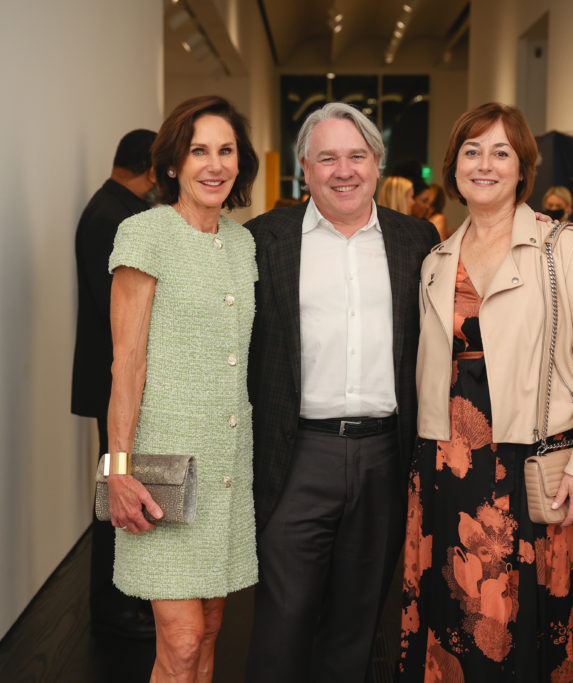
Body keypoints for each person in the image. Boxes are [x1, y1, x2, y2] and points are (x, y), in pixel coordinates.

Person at [402, 102, 573, 681]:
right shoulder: (435, 259)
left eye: (501, 152)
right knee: (453, 612)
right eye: (472, 151)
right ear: (454, 167)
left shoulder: (563, 248)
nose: (485, 165)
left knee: (519, 624)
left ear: (523, 167)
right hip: (445, 467)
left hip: (530, 465)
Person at [244, 102, 439, 683]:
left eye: (357, 155)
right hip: (295, 454)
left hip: (386, 455)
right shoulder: (263, 240)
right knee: (282, 622)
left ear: (377, 164)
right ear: (305, 167)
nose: (343, 170)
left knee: (359, 623)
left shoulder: (417, 240)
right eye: (327, 157)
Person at [104, 95, 259, 683]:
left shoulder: (243, 245)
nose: (214, 164)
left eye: (226, 151)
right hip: (159, 469)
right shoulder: (144, 234)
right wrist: (118, 470)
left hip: (225, 467)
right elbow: (126, 365)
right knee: (184, 639)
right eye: (200, 151)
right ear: (173, 163)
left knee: (212, 630)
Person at [70, 128, 157, 638]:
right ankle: (113, 603)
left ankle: (122, 598)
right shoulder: (116, 216)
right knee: (116, 488)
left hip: (111, 374)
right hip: (114, 377)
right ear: (151, 169)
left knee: (119, 484)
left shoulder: (108, 207)